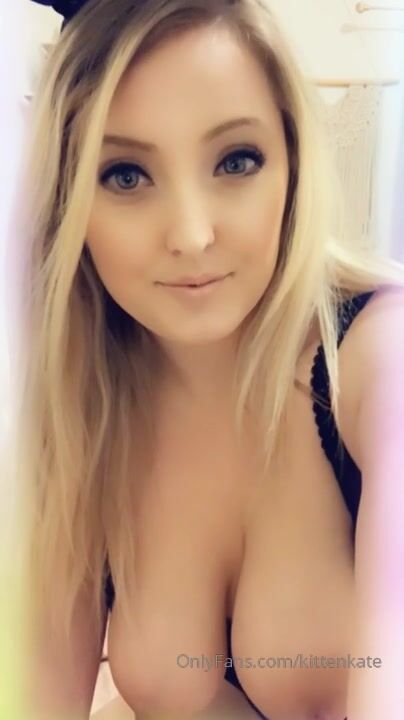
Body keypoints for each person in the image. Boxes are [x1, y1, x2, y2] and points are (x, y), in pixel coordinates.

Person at [8, 1, 404, 719]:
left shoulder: (378, 358)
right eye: (125, 175)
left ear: (292, 166)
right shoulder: (75, 409)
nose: (191, 235)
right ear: (69, 200)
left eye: (236, 161)